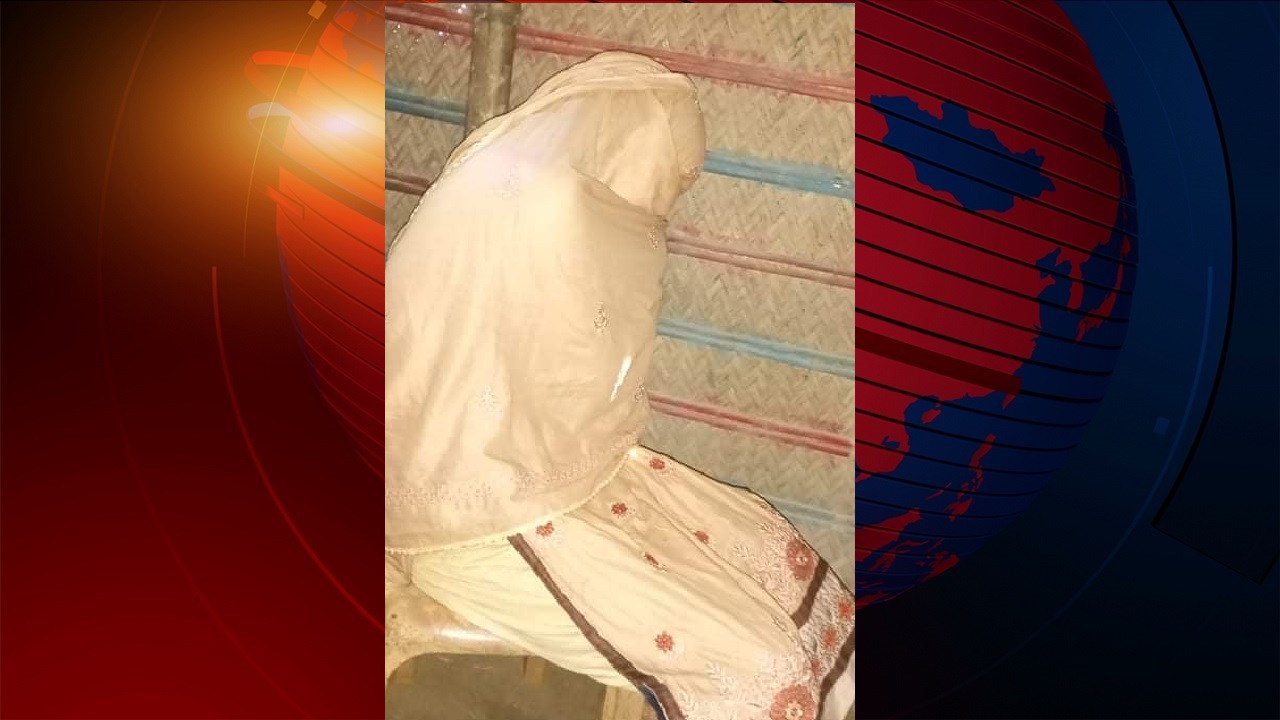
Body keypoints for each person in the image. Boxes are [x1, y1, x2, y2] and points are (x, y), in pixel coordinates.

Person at [385, 51, 854, 720]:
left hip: (563, 473)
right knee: (757, 663)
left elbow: (575, 402)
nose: (663, 194)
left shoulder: (558, 209)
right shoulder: (538, 220)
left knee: (772, 555)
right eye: (668, 172)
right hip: (462, 518)